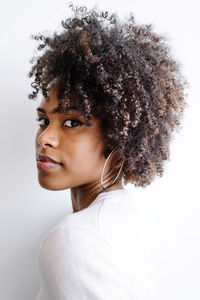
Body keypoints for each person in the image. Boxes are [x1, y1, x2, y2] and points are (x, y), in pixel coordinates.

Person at [28, 4, 187, 300]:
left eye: (72, 122)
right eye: (43, 120)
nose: (45, 138)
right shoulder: (122, 217)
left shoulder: (74, 240)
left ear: (117, 137)